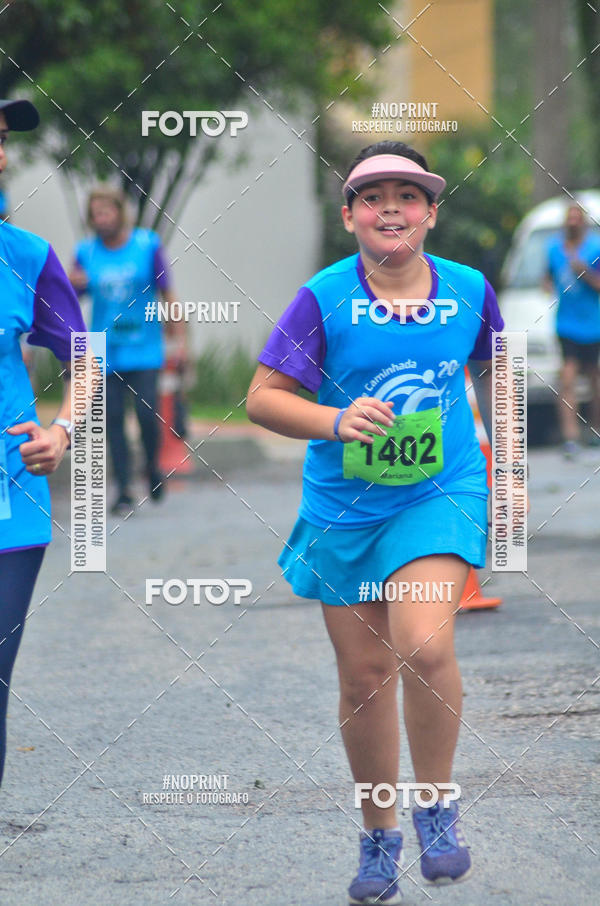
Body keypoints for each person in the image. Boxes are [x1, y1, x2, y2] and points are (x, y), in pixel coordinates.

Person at [247, 141, 506, 904]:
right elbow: (262, 398)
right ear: (349, 215)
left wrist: (513, 473)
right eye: (372, 195)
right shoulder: (323, 297)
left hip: (439, 493)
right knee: (363, 676)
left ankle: (435, 806)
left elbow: (500, 372)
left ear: (431, 212)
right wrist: (334, 417)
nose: (390, 207)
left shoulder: (468, 289)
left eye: (408, 194)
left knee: (424, 645)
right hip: (346, 507)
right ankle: (378, 831)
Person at [0, 98, 87, 785]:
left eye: (0, 141)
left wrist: (61, 431)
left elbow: (84, 355)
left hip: (10, 500)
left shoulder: (27, 257)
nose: (1, 156)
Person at [69, 187, 187, 515]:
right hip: (102, 349)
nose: (102, 219)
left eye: (107, 211)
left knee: (148, 417)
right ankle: (122, 489)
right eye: (96, 214)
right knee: (113, 419)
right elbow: (69, 301)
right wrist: (69, 285)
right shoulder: (85, 252)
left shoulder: (147, 246)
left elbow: (168, 295)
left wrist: (180, 343)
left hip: (146, 348)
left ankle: (151, 467)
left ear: (121, 212)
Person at [544, 203, 600, 457]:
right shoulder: (554, 249)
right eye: (570, 218)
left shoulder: (595, 248)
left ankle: (595, 429)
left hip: (593, 324)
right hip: (566, 324)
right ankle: (570, 436)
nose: (573, 222)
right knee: (567, 377)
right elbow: (547, 277)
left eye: (578, 218)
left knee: (593, 377)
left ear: (584, 222)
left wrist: (585, 273)